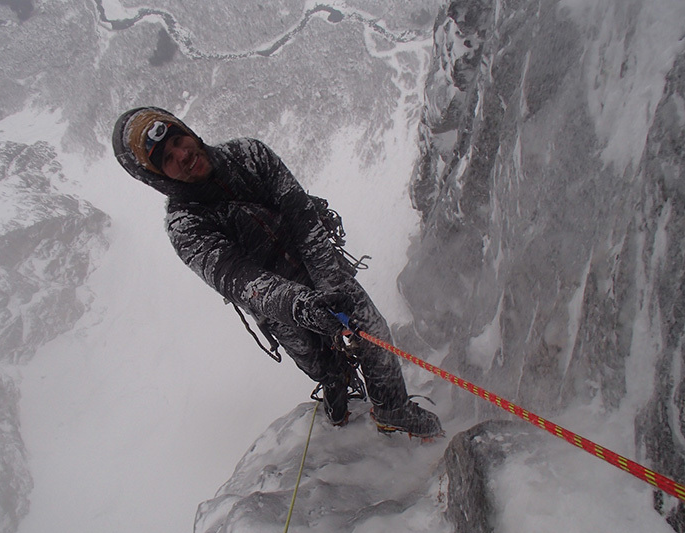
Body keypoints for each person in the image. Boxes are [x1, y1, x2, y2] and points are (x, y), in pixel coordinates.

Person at [112, 106, 442, 438]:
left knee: (374, 334)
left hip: (318, 267)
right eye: (168, 158)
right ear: (159, 177)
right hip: (280, 309)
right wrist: (303, 306)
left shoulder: (248, 154)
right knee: (319, 363)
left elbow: (300, 213)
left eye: (179, 140)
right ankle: (335, 385)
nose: (183, 154)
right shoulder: (186, 226)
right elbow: (239, 279)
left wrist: (328, 285)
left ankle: (392, 410)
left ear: (188, 131)